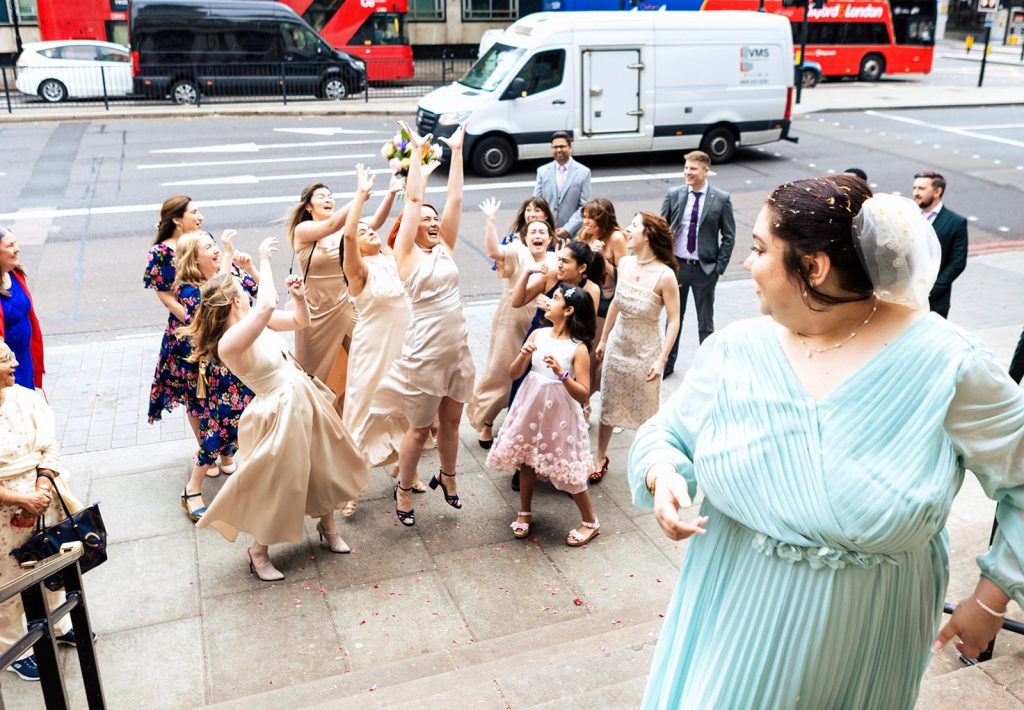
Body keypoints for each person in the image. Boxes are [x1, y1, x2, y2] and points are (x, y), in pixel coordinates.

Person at [629, 175, 1024, 708]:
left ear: (812, 267)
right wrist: (663, 474)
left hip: (863, 636)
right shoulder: (734, 351)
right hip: (728, 611)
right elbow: (668, 433)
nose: (746, 263)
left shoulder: (949, 365)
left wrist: (991, 597)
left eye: (759, 248)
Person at [186, 239, 370, 580]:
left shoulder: (257, 323)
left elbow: (301, 321)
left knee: (324, 465)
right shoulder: (232, 340)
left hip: (302, 397)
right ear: (235, 300)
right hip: (278, 411)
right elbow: (268, 303)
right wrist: (264, 260)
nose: (247, 290)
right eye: (242, 287)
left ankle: (328, 528)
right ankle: (258, 551)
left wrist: (300, 298)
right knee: (281, 483)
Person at [368, 121, 472, 527]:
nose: (432, 220)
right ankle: (405, 489)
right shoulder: (405, 255)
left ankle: (447, 476)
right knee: (419, 429)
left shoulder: (445, 245)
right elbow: (413, 199)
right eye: (424, 218)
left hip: (457, 350)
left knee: (452, 421)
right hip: (425, 355)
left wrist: (458, 152)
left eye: (434, 218)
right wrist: (415, 156)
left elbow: (456, 198)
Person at [486, 285, 601, 547]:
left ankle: (591, 521)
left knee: (566, 467)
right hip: (531, 405)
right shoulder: (538, 334)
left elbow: (583, 394)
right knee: (526, 460)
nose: (549, 301)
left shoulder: (578, 348)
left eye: (556, 299)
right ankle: (524, 511)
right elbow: (514, 373)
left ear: (569, 311)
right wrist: (524, 355)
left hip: (560, 413)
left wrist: (562, 374)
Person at [338, 164, 416, 517]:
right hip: (372, 349)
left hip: (403, 346)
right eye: (365, 229)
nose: (371, 231)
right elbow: (350, 236)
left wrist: (409, 172)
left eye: (374, 229)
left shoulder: (388, 258)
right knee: (362, 411)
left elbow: (410, 214)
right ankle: (347, 485)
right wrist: (361, 195)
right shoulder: (359, 270)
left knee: (404, 408)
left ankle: (403, 468)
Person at [0, 339, 78, 681]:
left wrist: (41, 491)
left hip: (41, 495)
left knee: (50, 562)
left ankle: (59, 623)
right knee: (8, 578)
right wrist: (17, 501)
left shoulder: (27, 398)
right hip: (5, 509)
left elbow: (50, 446)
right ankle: (13, 646)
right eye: (5, 359)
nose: (15, 362)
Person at [286, 177, 400, 411]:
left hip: (346, 304)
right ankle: (307, 418)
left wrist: (389, 194)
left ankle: (360, 410)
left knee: (366, 356)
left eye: (330, 196)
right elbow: (330, 226)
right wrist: (359, 196)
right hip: (315, 311)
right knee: (311, 374)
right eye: (321, 197)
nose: (328, 199)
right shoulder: (304, 230)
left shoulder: (344, 230)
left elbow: (375, 222)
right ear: (308, 206)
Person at [173, 230, 257, 521]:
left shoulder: (229, 272)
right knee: (218, 427)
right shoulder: (188, 291)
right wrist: (230, 259)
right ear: (193, 259)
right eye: (208, 246)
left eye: (213, 244)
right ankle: (192, 489)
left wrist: (252, 268)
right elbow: (218, 299)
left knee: (245, 422)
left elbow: (255, 294)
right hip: (217, 370)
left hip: (243, 364)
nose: (216, 249)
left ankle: (251, 479)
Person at [593, 212, 680, 484]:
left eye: (634, 226)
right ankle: (600, 456)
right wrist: (605, 340)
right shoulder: (626, 263)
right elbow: (616, 303)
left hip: (646, 352)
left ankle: (648, 460)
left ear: (648, 235)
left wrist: (661, 359)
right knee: (608, 402)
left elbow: (675, 320)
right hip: (619, 345)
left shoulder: (665, 275)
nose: (627, 231)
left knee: (646, 411)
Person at [468, 197, 558, 450]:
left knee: (534, 373)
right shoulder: (517, 249)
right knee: (501, 369)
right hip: (511, 316)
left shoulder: (556, 259)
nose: (538, 235)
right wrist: (490, 221)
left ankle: (522, 420)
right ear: (525, 236)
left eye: (542, 232)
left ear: (550, 238)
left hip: (541, 322)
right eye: (533, 232)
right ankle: (486, 419)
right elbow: (493, 252)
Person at [660, 150, 736, 377]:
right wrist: (665, 262)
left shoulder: (721, 198)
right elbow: (661, 230)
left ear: (705, 170)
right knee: (674, 318)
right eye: (686, 168)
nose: (687, 173)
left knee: (706, 321)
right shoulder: (674, 194)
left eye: (692, 169)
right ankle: (667, 364)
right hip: (678, 268)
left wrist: (718, 268)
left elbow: (729, 236)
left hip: (705, 270)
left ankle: (707, 366)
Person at [144, 196, 203, 426]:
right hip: (185, 330)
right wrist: (194, 322)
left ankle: (223, 450)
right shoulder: (161, 252)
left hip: (214, 322)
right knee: (193, 393)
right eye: (195, 212)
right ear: (178, 220)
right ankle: (205, 454)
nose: (200, 217)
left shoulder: (202, 240)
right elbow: (167, 298)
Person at [577, 197, 628, 395]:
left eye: (591, 218)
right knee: (585, 353)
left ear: (603, 219)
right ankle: (584, 402)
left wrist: (599, 259)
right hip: (586, 298)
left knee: (600, 353)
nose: (586, 222)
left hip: (606, 301)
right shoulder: (584, 235)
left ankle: (606, 400)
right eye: (584, 217)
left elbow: (623, 273)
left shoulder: (615, 238)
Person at [912, 170, 969, 318]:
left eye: (922, 188)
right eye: (915, 188)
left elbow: (957, 263)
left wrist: (931, 291)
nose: (916, 193)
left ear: (937, 191)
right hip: (907, 298)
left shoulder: (956, 222)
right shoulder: (908, 216)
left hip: (936, 301)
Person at [0, 228, 44, 390]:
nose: (17, 249)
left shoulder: (15, 274)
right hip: (5, 369)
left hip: (24, 361)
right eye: (10, 245)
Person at [533, 132, 592, 243]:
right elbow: (536, 202)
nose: (559, 150)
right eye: (555, 147)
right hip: (546, 232)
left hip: (572, 235)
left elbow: (584, 207)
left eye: (562, 146)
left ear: (570, 148)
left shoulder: (584, 172)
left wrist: (568, 229)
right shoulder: (542, 171)